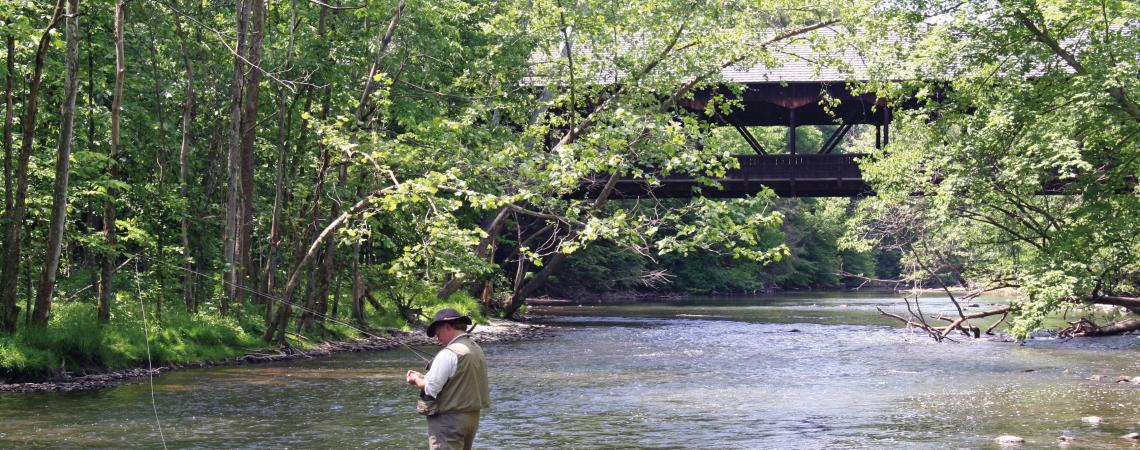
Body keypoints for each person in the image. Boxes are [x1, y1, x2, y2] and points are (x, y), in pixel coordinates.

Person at [406, 308, 490, 450]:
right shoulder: (476, 348)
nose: (437, 339)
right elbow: (458, 380)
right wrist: (426, 377)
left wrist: (415, 379)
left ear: (447, 326)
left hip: (449, 422)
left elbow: (431, 388)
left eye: (438, 333)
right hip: (471, 419)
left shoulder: (449, 353)